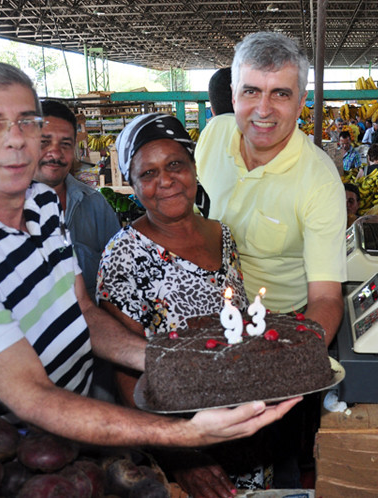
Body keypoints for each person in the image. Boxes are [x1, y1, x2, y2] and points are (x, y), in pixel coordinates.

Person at [0, 61, 298, 448]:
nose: (16, 140)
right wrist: (186, 434)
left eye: (27, 122)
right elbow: (33, 396)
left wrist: (173, 360)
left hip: (77, 434)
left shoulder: (41, 205)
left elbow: (84, 312)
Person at [100, 113, 270, 494]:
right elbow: (124, 372)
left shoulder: (222, 235)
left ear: (194, 168)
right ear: (133, 185)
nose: (165, 181)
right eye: (148, 174)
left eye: (175, 164)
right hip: (178, 433)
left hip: (242, 420)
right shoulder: (122, 256)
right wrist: (180, 457)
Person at [194, 31, 346, 345]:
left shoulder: (320, 181)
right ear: (234, 95)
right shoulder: (212, 136)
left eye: (280, 94)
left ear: (302, 102)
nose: (263, 110)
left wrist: (295, 360)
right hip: (201, 314)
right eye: (251, 91)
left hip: (278, 326)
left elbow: (327, 298)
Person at [35, 100, 120, 299]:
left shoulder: (95, 205)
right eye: (44, 142)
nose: (55, 153)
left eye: (65, 144)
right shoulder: (6, 210)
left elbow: (119, 277)